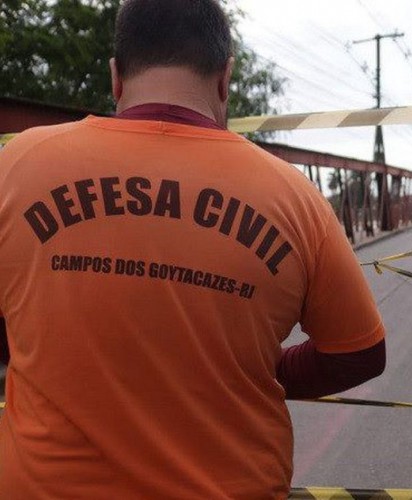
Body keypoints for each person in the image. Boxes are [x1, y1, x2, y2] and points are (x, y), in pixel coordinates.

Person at [0, 0, 386, 497]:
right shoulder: (293, 197)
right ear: (225, 78)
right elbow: (359, 352)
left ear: (116, 77)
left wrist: (44, 343)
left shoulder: (19, 166)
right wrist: (260, 369)